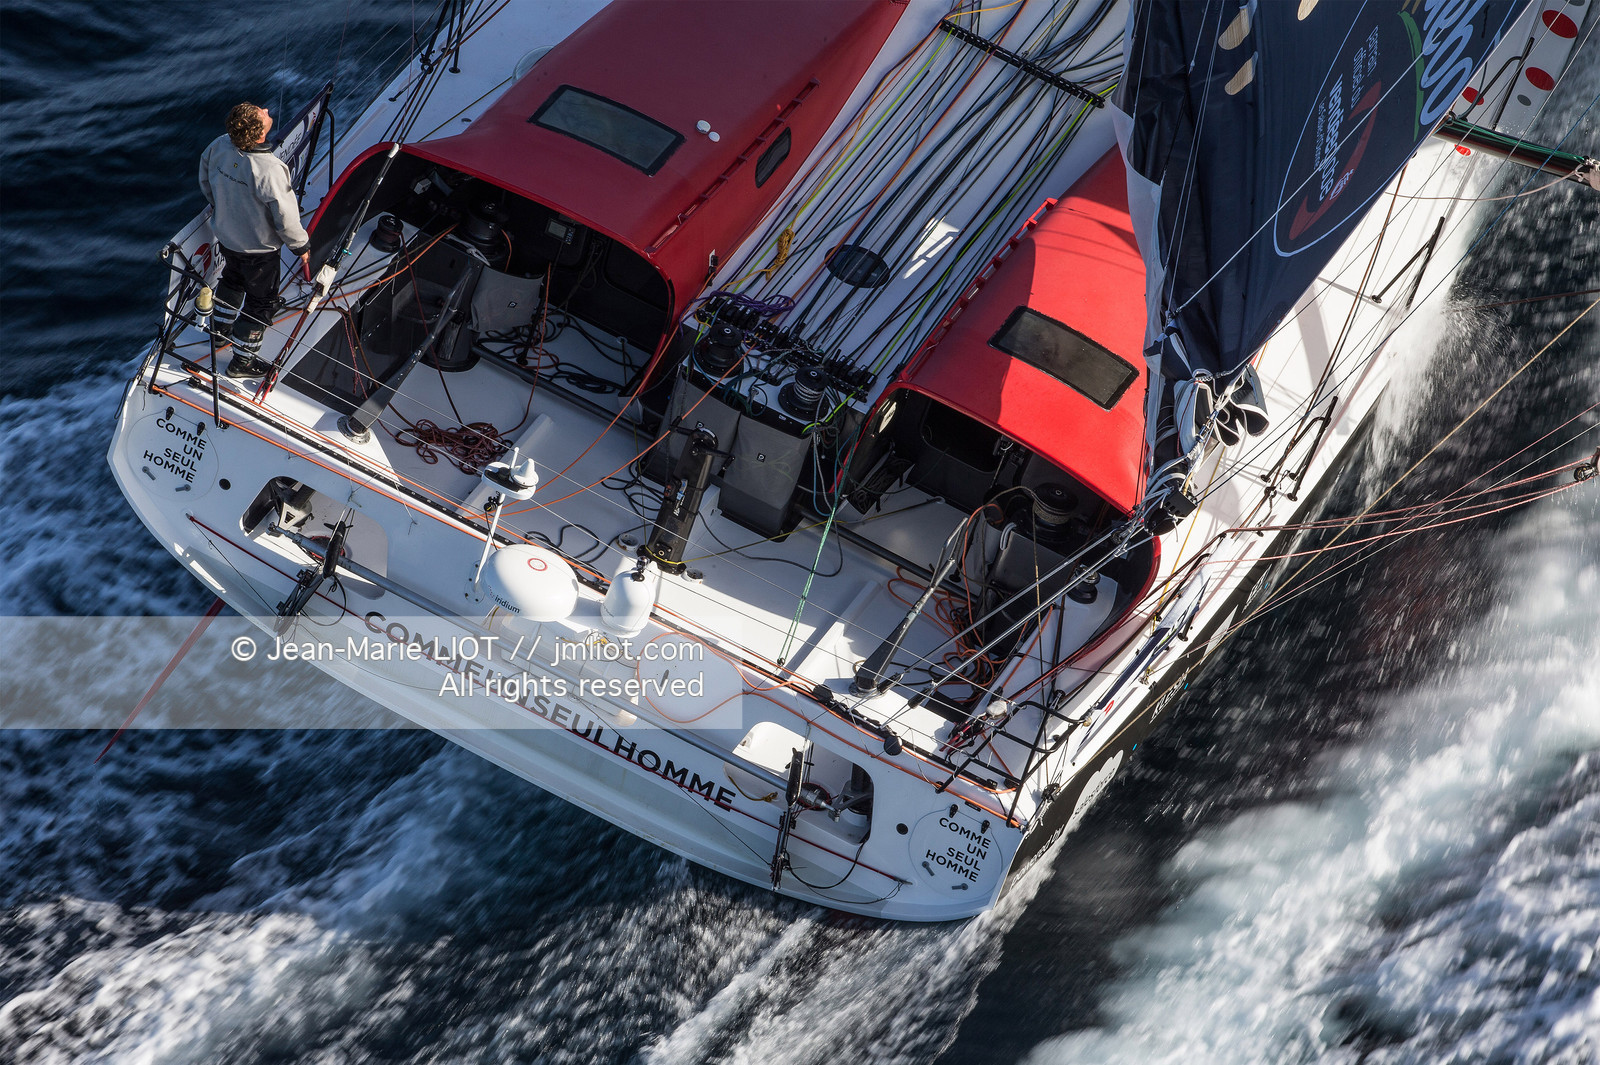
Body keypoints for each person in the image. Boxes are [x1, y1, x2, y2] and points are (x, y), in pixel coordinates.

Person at [199, 102, 311, 377]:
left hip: (227, 238)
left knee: (232, 280)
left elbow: (205, 182)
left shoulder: (219, 146)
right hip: (260, 251)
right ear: (259, 133)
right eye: (263, 113)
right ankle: (242, 363)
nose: (266, 110)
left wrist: (222, 213)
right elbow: (284, 216)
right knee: (261, 303)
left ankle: (219, 332)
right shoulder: (270, 168)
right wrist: (301, 247)